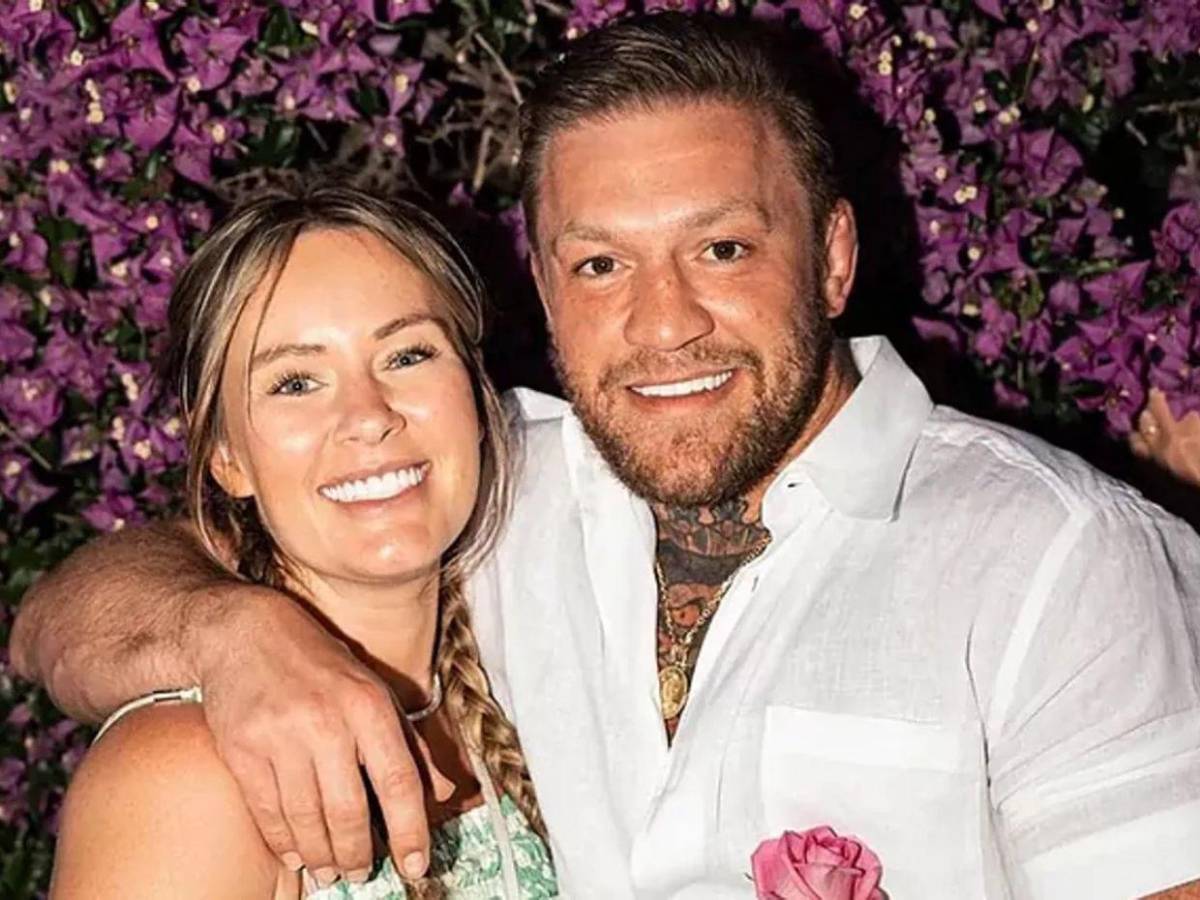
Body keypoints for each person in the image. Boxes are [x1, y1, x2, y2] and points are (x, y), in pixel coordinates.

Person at [14, 13, 1200, 899]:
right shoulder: (513, 482)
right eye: (599, 264)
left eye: (723, 248)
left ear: (834, 258)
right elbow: (58, 618)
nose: (663, 322)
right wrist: (231, 634)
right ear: (541, 286)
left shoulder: (1059, 555)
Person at [44, 187, 557, 899]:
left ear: (473, 392)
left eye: (408, 355)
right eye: (295, 382)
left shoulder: (532, 673)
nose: (368, 416)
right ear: (226, 457)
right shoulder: (182, 777)